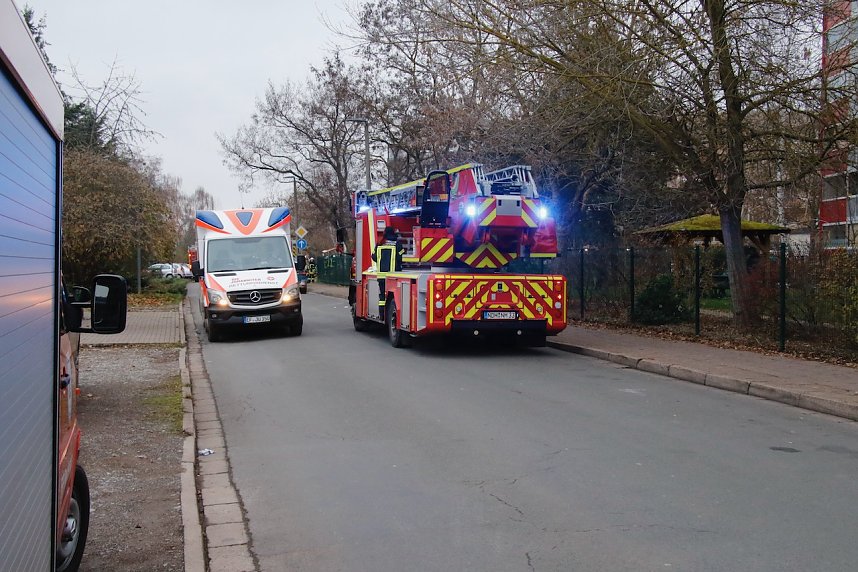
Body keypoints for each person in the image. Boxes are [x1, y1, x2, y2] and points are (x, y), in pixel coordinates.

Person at [372, 226, 405, 308]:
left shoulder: (379, 243)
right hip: (393, 276)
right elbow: (400, 258)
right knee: (392, 296)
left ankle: (382, 314)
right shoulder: (397, 244)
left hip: (381, 275)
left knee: (382, 296)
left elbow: (374, 257)